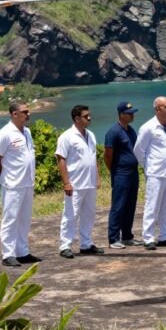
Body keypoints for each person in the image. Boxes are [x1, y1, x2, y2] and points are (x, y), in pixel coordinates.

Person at [0, 101, 41, 267]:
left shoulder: (26, 132)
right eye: (25, 112)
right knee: (10, 219)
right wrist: (3, 178)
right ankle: (8, 254)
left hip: (27, 182)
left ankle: (22, 252)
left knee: (25, 219)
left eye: (28, 111)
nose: (28, 114)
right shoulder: (4, 133)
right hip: (12, 184)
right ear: (14, 114)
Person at [56, 105, 103, 259]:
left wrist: (97, 176)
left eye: (89, 115)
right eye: (85, 116)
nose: (89, 118)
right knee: (71, 214)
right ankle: (65, 245)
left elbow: (93, 157)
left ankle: (86, 243)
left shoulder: (91, 135)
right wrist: (66, 182)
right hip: (75, 183)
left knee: (88, 214)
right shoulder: (67, 136)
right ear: (76, 119)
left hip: (89, 182)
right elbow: (61, 159)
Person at [134, 96, 166, 249]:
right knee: (152, 205)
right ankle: (148, 237)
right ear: (157, 109)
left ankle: (165, 235)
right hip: (155, 172)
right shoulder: (148, 127)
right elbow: (139, 150)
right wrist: (148, 168)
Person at [105, 101, 141, 249]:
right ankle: (113, 238)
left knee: (130, 205)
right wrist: (114, 170)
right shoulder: (113, 132)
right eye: (129, 113)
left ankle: (127, 235)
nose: (132, 115)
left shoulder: (131, 131)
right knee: (118, 205)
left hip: (133, 173)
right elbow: (108, 155)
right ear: (121, 115)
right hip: (121, 173)